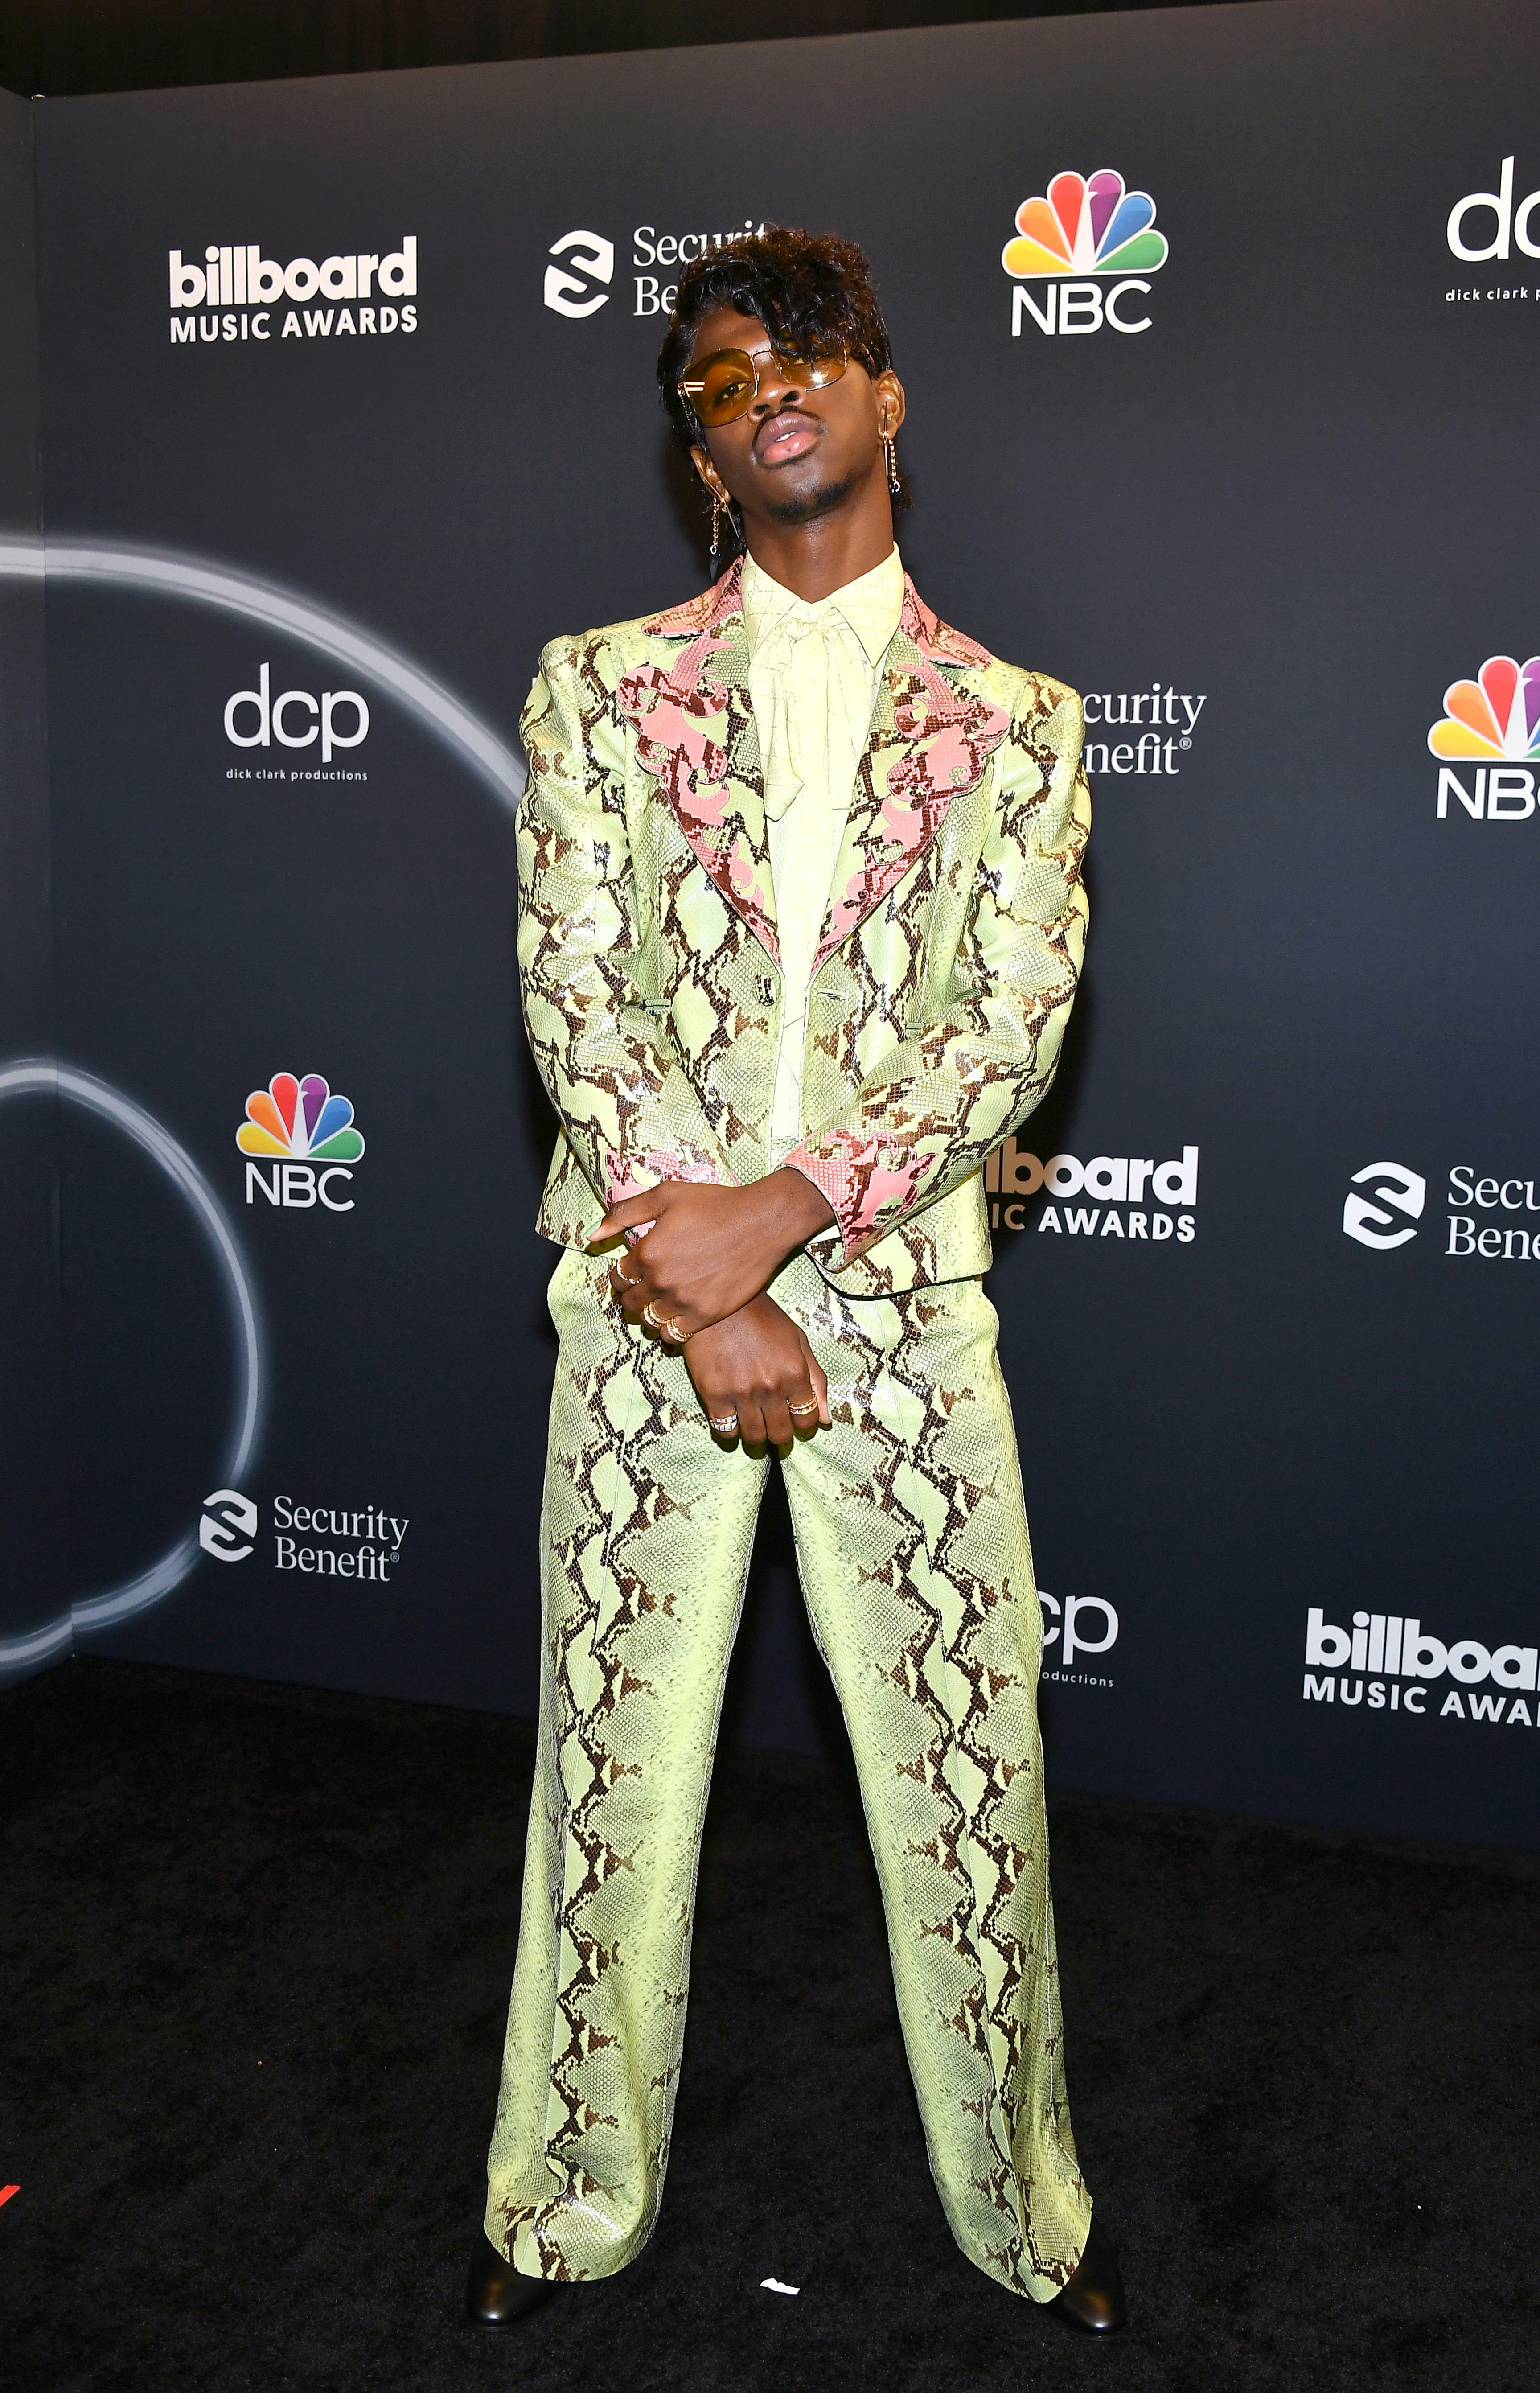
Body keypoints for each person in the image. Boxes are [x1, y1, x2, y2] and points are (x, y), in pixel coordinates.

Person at [468, 226, 1123, 2335]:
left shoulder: (1019, 721)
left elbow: (1007, 1014)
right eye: (718, 370)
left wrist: (794, 1209)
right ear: (696, 446)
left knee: (967, 1773)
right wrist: (710, 1268)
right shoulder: (596, 684)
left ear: (889, 396)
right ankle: (560, 2207)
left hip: (906, 1317)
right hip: (659, 1299)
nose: (767, 385)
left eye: (811, 350)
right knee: (610, 1773)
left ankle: (1026, 2221)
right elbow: (580, 992)